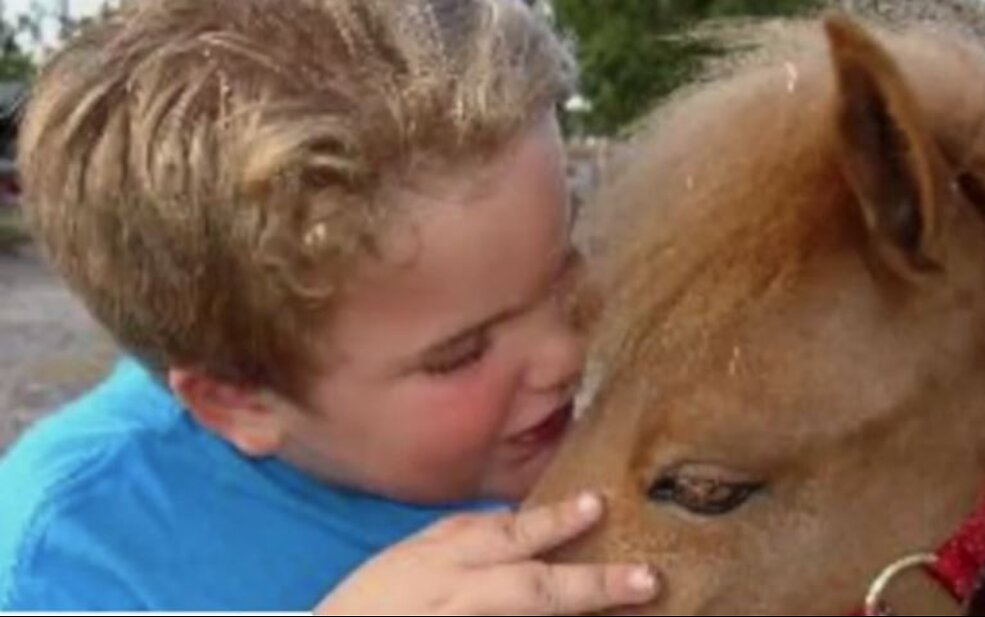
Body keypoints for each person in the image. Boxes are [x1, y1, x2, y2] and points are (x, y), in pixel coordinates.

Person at [0, 0, 658, 613]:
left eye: (564, 270)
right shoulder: (69, 556)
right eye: (463, 352)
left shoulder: (559, 419)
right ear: (242, 401)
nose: (568, 354)